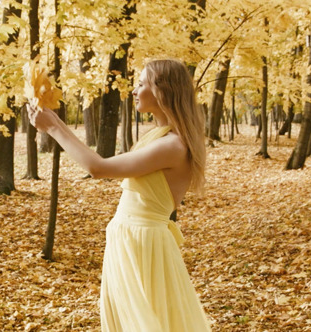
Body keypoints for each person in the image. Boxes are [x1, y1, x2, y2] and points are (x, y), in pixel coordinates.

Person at [28, 58, 211, 332]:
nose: (134, 91)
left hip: (143, 244)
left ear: (163, 90)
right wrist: (53, 121)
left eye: (141, 83)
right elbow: (100, 161)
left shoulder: (173, 145)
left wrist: (54, 127)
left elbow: (98, 168)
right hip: (129, 240)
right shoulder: (158, 137)